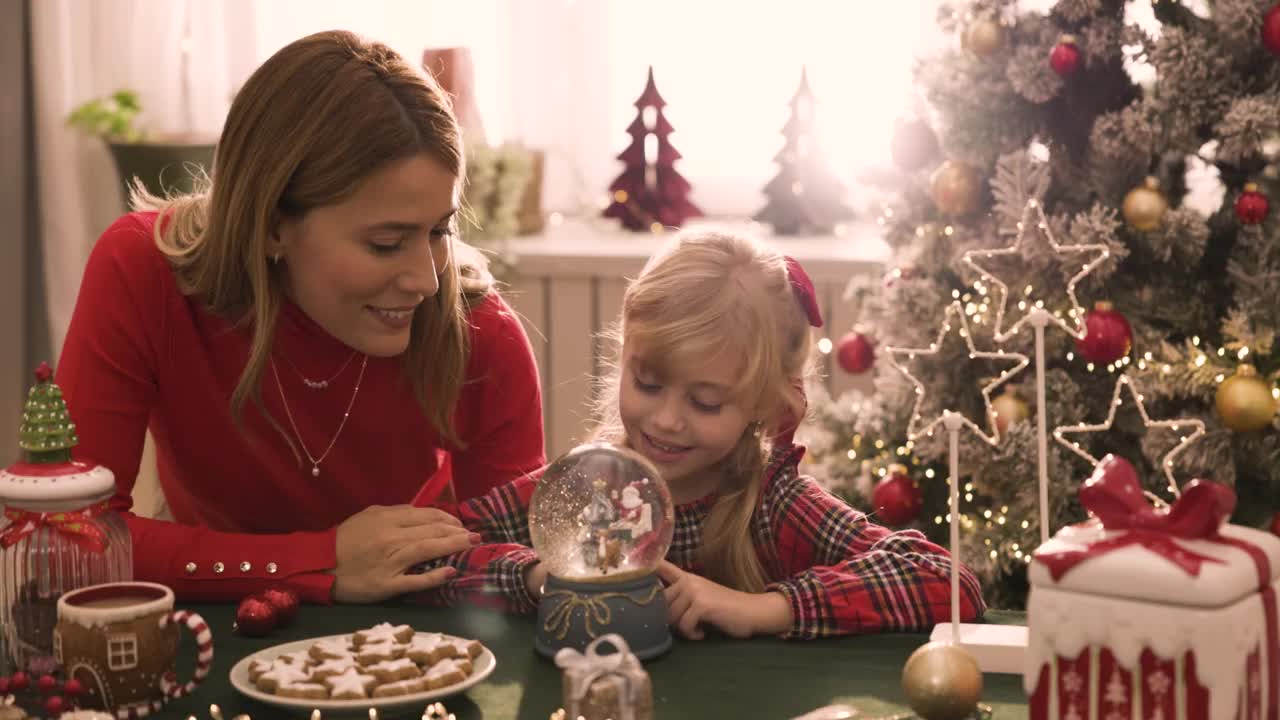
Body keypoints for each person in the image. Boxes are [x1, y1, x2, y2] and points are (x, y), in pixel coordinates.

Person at [54, 31, 545, 605]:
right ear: (269, 226)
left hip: (413, 620)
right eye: (387, 243)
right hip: (213, 618)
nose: (426, 280)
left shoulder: (480, 330)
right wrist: (324, 561)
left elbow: (515, 555)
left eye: (439, 232)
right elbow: (73, 535)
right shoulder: (142, 270)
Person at [412, 232, 984, 639]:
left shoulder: (772, 506)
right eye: (648, 382)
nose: (665, 420)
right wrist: (538, 576)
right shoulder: (586, 490)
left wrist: (764, 608)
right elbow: (430, 559)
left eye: (705, 401)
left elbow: (947, 581)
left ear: (762, 405)